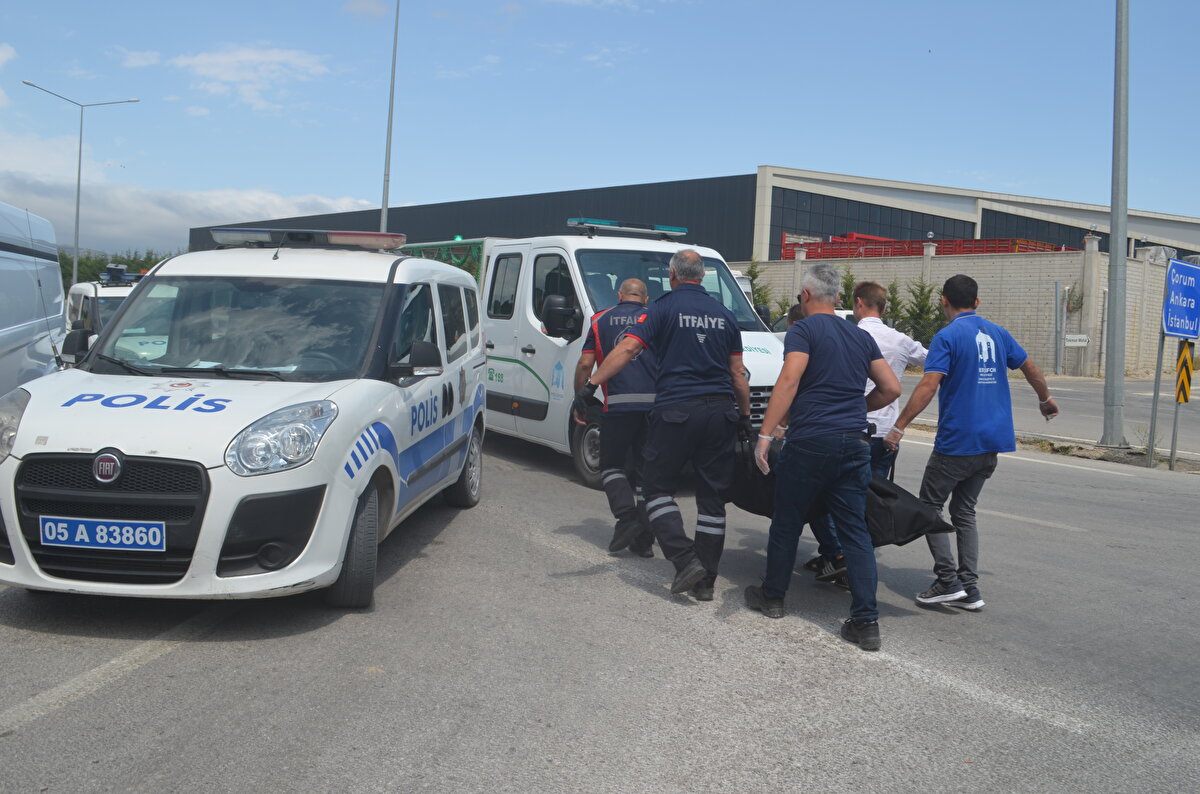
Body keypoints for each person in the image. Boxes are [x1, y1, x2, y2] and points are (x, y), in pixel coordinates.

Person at [575, 250, 752, 599]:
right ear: (702, 276)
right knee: (712, 500)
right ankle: (706, 583)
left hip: (676, 412)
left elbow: (626, 350)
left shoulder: (662, 308)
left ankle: (684, 559)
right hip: (721, 412)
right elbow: (737, 374)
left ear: (672, 275)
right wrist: (744, 418)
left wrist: (591, 386)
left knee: (655, 490)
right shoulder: (726, 314)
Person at [743, 262, 900, 652]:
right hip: (853, 444)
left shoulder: (803, 330)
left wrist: (765, 434)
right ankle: (865, 623)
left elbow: (790, 379)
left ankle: (773, 597)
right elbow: (892, 388)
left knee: (787, 521)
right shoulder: (859, 336)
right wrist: (856, 409)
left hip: (811, 442)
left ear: (807, 296)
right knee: (856, 533)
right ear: (840, 299)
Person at [885, 274, 1059, 611]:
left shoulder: (946, 337)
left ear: (943, 302)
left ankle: (948, 581)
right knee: (964, 512)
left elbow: (928, 385)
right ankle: (970, 589)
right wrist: (1045, 399)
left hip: (957, 441)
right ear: (977, 302)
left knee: (928, 508)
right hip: (992, 441)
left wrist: (899, 426)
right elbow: (1030, 366)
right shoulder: (998, 333)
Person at [800, 281, 930, 586]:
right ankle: (853, 560)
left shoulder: (849, 334)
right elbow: (932, 359)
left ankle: (837, 553)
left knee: (825, 496)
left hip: (848, 426)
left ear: (858, 304)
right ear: (884, 309)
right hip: (885, 431)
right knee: (869, 502)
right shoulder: (899, 339)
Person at [573, 278, 656, 558]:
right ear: (645, 299)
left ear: (619, 296)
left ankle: (626, 517)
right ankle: (644, 541)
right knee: (646, 476)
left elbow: (585, 363)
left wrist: (581, 399)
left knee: (611, 466)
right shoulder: (655, 317)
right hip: (654, 408)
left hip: (617, 406)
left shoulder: (599, 320)